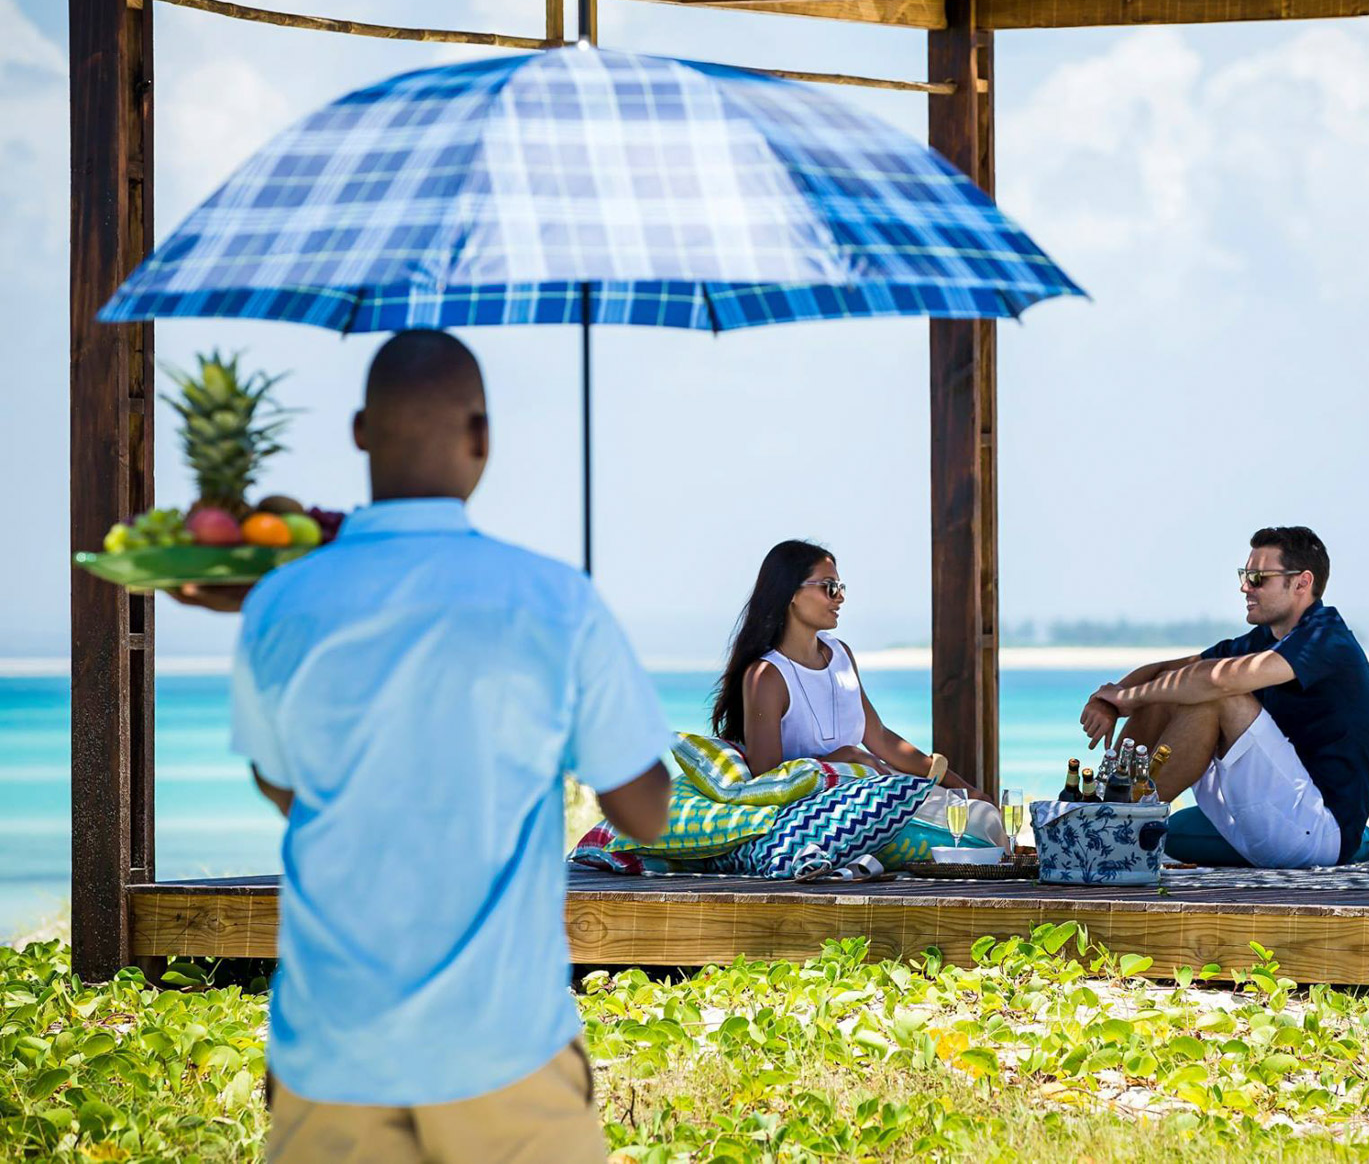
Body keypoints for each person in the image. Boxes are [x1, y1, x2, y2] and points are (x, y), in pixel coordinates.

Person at [184, 331, 671, 1163]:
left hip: (331, 1048)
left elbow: (284, 788)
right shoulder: (553, 598)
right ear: (481, 437)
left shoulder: (279, 601)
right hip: (505, 1044)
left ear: (359, 431)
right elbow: (645, 813)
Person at [1079, 526, 1369, 869]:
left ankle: (1114, 835)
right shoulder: (1264, 639)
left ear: (1301, 583)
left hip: (1318, 833)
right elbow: (1166, 671)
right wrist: (1110, 700)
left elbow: (1218, 681)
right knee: (1170, 690)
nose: (1244, 587)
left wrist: (1129, 698)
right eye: (1244, 575)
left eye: (1257, 577)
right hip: (1266, 817)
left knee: (1215, 696)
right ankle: (1101, 815)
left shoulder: (1327, 640)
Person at [710, 539, 990, 803]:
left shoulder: (840, 655)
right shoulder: (766, 677)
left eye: (841, 586)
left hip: (874, 795)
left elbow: (878, 737)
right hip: (830, 815)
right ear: (792, 594)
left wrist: (964, 789)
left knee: (978, 813)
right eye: (829, 587)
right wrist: (844, 756)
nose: (840, 597)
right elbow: (766, 781)